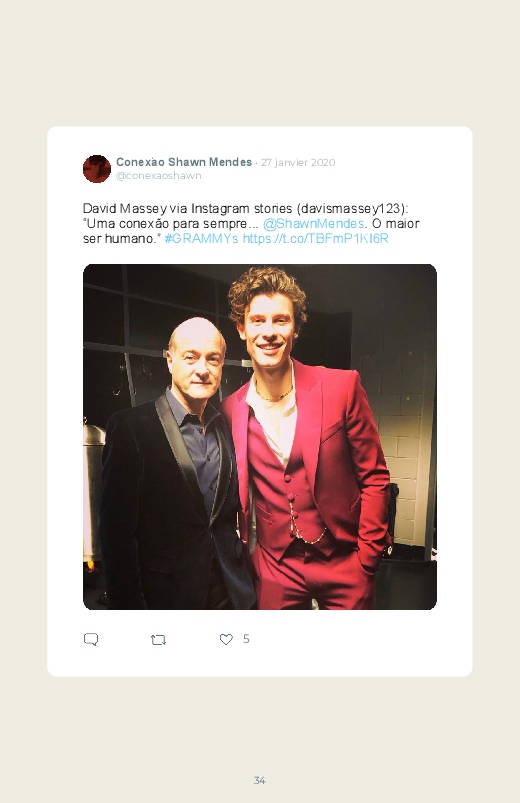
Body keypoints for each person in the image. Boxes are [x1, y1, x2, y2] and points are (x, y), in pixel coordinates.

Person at [220, 267, 390, 610]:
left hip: (345, 562)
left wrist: (367, 560)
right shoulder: (230, 409)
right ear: (241, 328)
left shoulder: (341, 387)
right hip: (275, 568)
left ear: (295, 328)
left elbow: (375, 478)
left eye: (281, 320)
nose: (269, 332)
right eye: (257, 321)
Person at [99, 317, 256, 610]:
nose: (202, 369)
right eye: (190, 357)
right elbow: (116, 539)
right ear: (170, 361)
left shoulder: (227, 425)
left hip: (233, 596)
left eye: (213, 359)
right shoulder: (130, 428)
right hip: (168, 602)